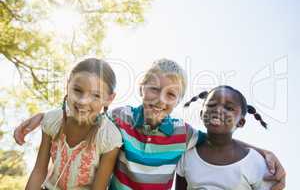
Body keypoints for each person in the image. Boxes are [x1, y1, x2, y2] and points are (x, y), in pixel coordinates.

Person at [15, 59, 285, 190]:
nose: (160, 100)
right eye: (153, 90)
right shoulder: (119, 118)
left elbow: (218, 139)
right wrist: (43, 116)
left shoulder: (183, 134)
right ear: (141, 88)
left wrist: (263, 152)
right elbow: (85, 111)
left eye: (170, 95)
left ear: (178, 101)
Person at [25, 58, 122, 190]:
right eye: (77, 90)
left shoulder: (109, 137)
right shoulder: (52, 121)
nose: (83, 101)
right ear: (67, 85)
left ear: (109, 99)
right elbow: (39, 171)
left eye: (96, 95)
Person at [176, 85, 277, 189]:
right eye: (212, 104)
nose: (218, 110)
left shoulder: (256, 163)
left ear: (241, 122)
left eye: (229, 108)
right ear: (201, 114)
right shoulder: (187, 155)